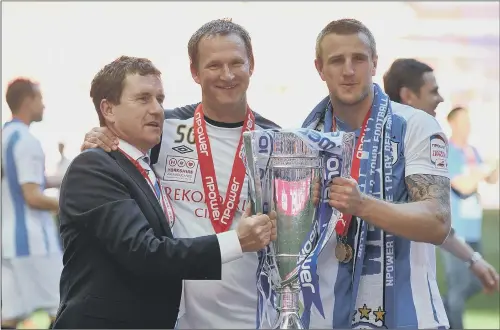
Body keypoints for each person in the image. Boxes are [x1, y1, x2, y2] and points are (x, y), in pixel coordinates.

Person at [81, 20, 281, 329]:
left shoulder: (275, 140)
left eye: (236, 63)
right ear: (195, 71)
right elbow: (118, 159)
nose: (226, 75)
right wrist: (99, 135)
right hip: (174, 318)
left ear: (251, 65)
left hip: (252, 315)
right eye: (214, 65)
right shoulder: (164, 129)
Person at [301, 19, 451, 329]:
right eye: (336, 60)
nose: (348, 70)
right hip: (323, 318)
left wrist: (361, 205)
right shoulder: (304, 139)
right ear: (320, 68)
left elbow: (438, 222)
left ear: (374, 64)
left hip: (408, 318)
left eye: (358, 58)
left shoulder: (416, 126)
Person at [383, 58, 500, 297]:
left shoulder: (408, 141)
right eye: (433, 91)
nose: (441, 99)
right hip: (393, 284)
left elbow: (432, 217)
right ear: (408, 95)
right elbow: (434, 215)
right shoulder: (399, 144)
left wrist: (473, 258)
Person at [1, 78, 62, 329]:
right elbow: (32, 196)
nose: (44, 105)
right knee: (62, 305)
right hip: (34, 241)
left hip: (9, 241)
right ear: (28, 101)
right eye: (40, 99)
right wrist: (67, 205)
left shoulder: (5, 135)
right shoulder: (27, 140)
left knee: (10, 316)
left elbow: (20, 183)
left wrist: (63, 180)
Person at [442, 106, 498, 329]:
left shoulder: (472, 151)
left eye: (469, 121)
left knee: (477, 281)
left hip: (473, 228)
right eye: (464, 121)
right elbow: (463, 186)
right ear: (453, 123)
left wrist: (493, 169)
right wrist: (481, 172)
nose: (468, 126)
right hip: (455, 231)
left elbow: (489, 179)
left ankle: (441, 308)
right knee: (458, 285)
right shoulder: (448, 150)